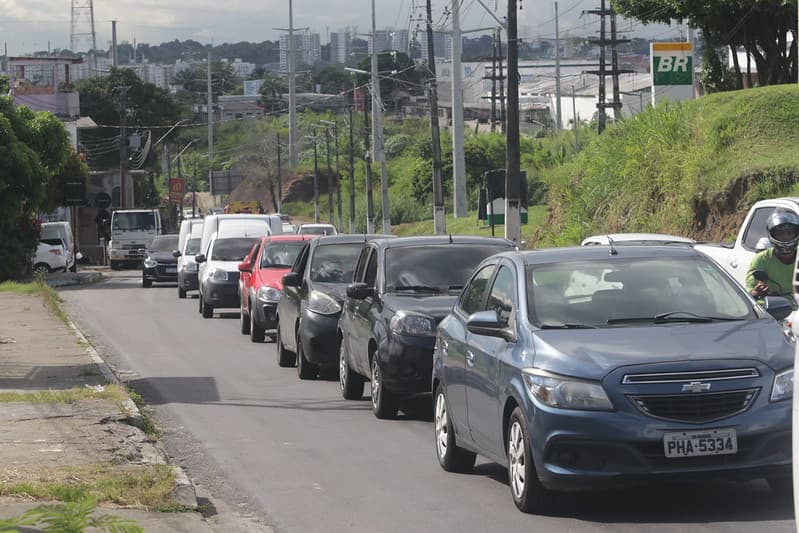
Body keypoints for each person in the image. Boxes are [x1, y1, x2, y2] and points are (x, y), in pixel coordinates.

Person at [745, 208, 799, 299]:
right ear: (772, 234)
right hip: (772, 310)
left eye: (789, 233)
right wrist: (756, 293)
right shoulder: (761, 259)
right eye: (780, 233)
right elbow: (749, 294)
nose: (785, 237)